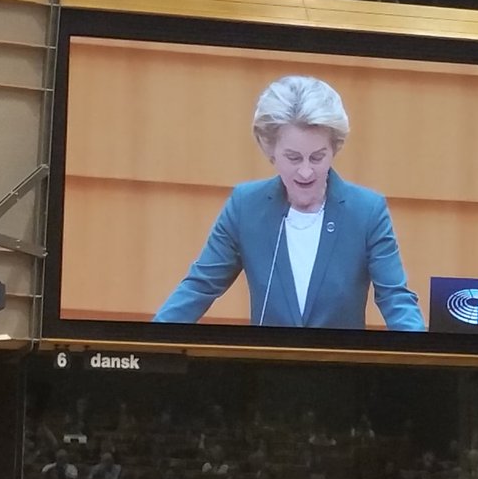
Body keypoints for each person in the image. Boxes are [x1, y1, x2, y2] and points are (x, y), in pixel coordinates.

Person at [154, 75, 426, 330]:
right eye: (293, 158)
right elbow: (199, 287)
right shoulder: (245, 206)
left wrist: (422, 355)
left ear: (334, 148)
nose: (306, 172)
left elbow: (395, 298)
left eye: (317, 157)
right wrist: (149, 344)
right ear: (270, 149)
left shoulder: (367, 211)